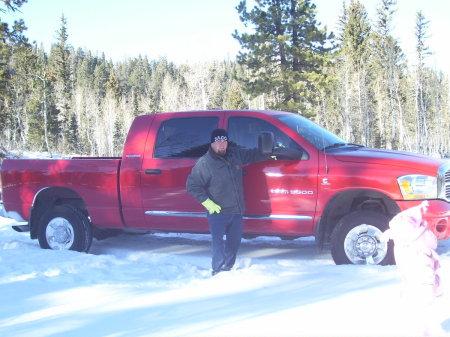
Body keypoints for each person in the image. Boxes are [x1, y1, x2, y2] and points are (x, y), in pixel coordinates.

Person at [186, 128, 268, 276]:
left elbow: (255, 155)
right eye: (217, 141)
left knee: (234, 243)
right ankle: (217, 270)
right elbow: (192, 185)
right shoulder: (205, 163)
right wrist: (207, 203)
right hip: (218, 212)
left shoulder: (235, 155)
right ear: (212, 143)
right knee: (218, 243)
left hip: (236, 211)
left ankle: (228, 268)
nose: (221, 144)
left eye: (223, 141)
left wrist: (271, 150)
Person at [383, 201, 443, 336]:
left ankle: (423, 330)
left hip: (414, 279)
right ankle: (427, 330)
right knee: (424, 309)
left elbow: (392, 232)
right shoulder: (421, 235)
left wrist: (388, 234)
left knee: (417, 309)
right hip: (423, 280)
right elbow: (433, 242)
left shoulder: (401, 239)